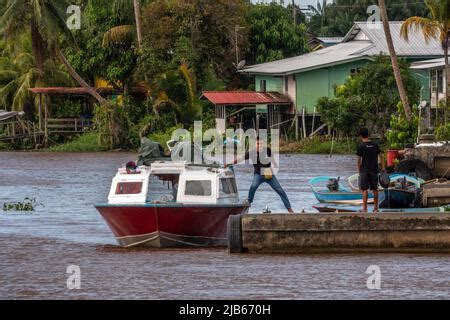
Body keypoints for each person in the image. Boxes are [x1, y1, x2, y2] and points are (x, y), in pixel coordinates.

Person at [231, 137, 294, 214]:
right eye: (258, 144)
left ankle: (289, 209)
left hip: (269, 174)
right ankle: (247, 206)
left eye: (261, 144)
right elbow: (241, 158)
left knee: (280, 191)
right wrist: (231, 163)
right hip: (258, 175)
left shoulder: (267, 150)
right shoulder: (252, 152)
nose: (259, 145)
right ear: (255, 144)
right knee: (253, 188)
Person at [357, 128, 385, 213]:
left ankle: (364, 209)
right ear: (368, 135)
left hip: (364, 171)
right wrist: (383, 167)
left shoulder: (361, 146)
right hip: (374, 169)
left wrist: (359, 171)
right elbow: (381, 156)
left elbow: (358, 161)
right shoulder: (374, 145)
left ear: (361, 136)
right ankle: (376, 208)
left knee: (364, 189)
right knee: (375, 189)